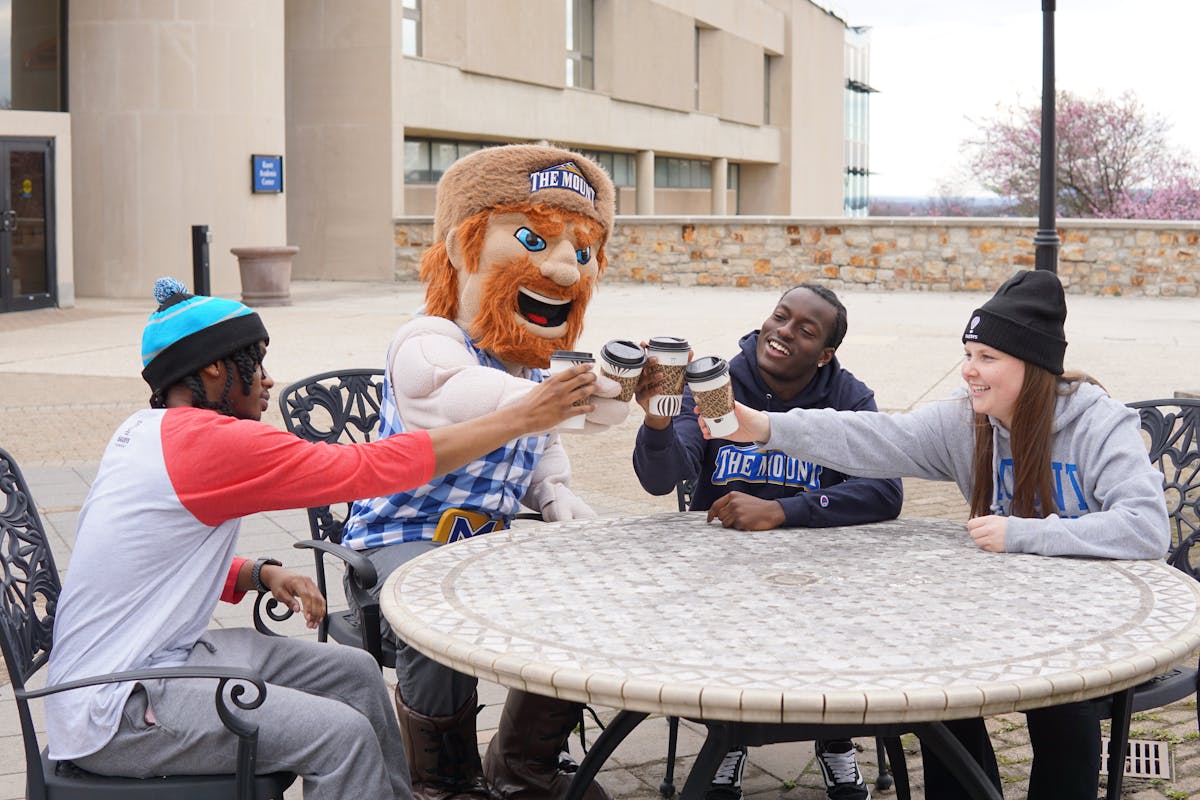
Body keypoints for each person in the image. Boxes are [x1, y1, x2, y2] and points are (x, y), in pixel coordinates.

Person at [45, 277, 598, 800]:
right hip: (116, 708)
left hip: (157, 660)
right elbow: (369, 467)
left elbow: (149, 555)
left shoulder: (145, 431)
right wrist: (520, 416)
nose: (267, 378)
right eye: (253, 362)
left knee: (355, 673)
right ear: (213, 368)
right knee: (340, 736)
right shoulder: (211, 444)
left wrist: (258, 573)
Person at [700, 269, 1171, 800]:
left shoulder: (1098, 424)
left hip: (1092, 627)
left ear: (1033, 366)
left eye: (987, 358)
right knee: (942, 695)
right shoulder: (966, 421)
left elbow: (1147, 525)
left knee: (1063, 710)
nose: (969, 371)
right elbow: (875, 437)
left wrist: (1022, 532)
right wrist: (764, 427)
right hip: (1008, 616)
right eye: (968, 354)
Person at [340, 144, 627, 800]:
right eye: (532, 239)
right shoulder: (428, 340)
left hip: (483, 542)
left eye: (582, 253)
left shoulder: (528, 362)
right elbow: (454, 393)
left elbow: (543, 449)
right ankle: (442, 782)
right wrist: (554, 402)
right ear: (464, 246)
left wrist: (556, 494)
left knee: (579, 597)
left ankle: (521, 768)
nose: (563, 268)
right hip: (399, 538)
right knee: (436, 611)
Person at [632, 284, 902, 800]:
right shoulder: (717, 384)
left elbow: (886, 490)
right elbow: (661, 478)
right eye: (780, 317)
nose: (783, 332)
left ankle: (835, 737)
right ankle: (728, 735)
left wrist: (782, 511)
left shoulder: (846, 397)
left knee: (841, 620)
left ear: (825, 354)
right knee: (720, 616)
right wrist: (658, 417)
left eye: (806, 330)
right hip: (720, 572)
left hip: (817, 571)